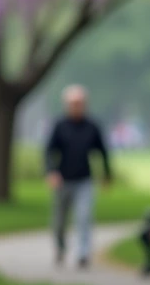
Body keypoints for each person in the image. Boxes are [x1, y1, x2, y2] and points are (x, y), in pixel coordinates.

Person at [45, 85, 112, 268]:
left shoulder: (91, 126)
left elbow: (102, 151)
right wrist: (51, 172)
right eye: (73, 103)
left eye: (80, 103)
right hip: (63, 180)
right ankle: (60, 248)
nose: (77, 106)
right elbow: (49, 151)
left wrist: (106, 174)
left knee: (84, 217)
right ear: (67, 105)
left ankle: (83, 254)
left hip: (84, 180)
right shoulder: (60, 126)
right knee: (60, 220)